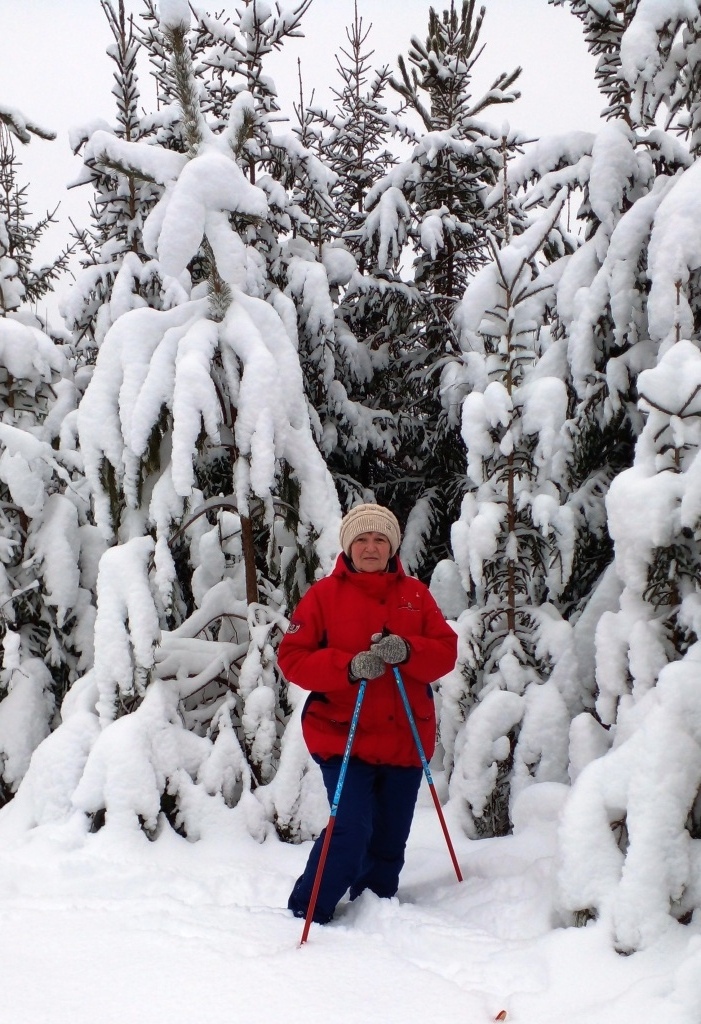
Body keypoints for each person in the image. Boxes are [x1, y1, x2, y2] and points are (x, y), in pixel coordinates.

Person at [278, 502, 458, 924]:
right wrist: (348, 666)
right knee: (351, 828)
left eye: (380, 539)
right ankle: (308, 908)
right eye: (362, 539)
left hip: (404, 738)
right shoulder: (323, 596)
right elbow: (293, 658)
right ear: (348, 547)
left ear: (392, 546)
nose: (371, 547)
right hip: (344, 735)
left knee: (389, 840)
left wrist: (409, 651)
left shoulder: (415, 594)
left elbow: (446, 652)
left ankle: (374, 911)